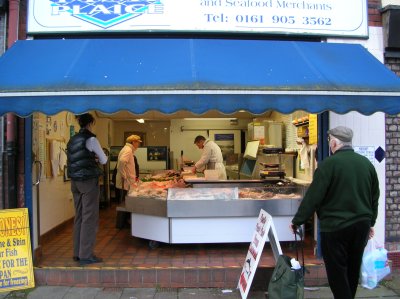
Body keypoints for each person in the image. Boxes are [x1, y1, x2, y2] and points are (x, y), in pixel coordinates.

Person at [290, 126, 380, 299]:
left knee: (337, 273)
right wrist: (371, 222)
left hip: (335, 227)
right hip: (361, 225)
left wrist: (298, 220)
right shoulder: (366, 164)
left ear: (333, 142)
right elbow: (375, 196)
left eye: (329, 141)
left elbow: (313, 197)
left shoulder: (327, 165)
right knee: (353, 269)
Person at [66, 113, 108, 266]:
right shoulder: (91, 139)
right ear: (90, 123)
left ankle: (77, 253)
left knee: (79, 216)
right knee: (89, 217)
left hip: (75, 181)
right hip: (88, 181)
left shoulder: (72, 140)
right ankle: (86, 254)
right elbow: (104, 159)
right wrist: (95, 158)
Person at [116, 134, 142, 202]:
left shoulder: (128, 149)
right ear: (133, 142)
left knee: (126, 202)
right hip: (125, 182)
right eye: (138, 142)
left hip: (127, 182)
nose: (138, 144)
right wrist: (124, 175)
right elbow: (122, 162)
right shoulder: (128, 150)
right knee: (125, 202)